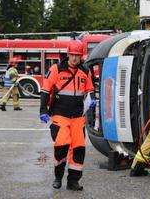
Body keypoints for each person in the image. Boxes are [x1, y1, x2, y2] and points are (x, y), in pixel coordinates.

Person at [39, 40, 95, 191]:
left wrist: (92, 99)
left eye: (77, 55)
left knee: (79, 149)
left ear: (81, 55)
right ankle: (58, 177)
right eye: (72, 55)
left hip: (78, 117)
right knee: (62, 146)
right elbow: (45, 90)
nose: (74, 58)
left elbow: (89, 90)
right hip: (60, 115)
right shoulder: (56, 69)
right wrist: (43, 111)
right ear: (67, 54)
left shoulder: (85, 71)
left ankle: (73, 181)